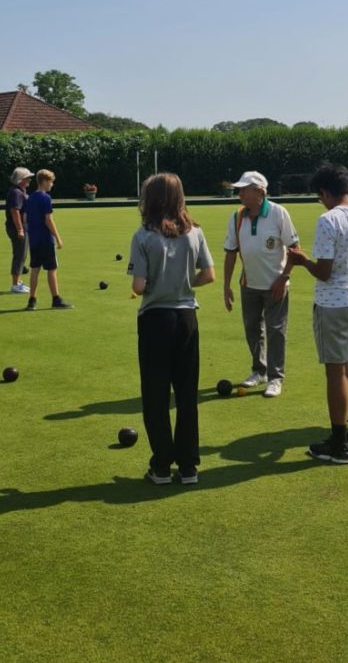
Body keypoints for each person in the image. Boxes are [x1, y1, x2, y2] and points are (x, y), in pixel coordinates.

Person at [287, 163, 348, 464]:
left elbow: (325, 272)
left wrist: (302, 260)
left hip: (334, 303)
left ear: (325, 193)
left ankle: (340, 444)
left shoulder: (328, 220)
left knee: (336, 372)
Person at [127, 172, 215, 485]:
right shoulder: (196, 233)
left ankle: (162, 466)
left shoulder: (143, 236)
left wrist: (152, 286)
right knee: (187, 394)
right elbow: (208, 275)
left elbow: (138, 285)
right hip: (187, 319)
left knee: (155, 394)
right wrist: (181, 283)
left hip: (155, 319)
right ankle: (189, 466)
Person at [222, 171, 300, 398]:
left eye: (245, 189)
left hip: (276, 284)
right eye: (240, 189)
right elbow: (230, 253)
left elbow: (295, 248)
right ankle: (259, 370)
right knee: (252, 329)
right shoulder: (237, 217)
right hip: (249, 284)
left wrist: (284, 278)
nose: (240, 193)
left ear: (260, 192)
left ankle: (275, 378)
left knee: (276, 331)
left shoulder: (278, 213)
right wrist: (226, 286)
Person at [23, 169, 71, 310]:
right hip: (45, 240)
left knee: (35, 270)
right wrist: (58, 238)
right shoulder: (45, 198)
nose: (52, 185)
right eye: (51, 182)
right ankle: (56, 299)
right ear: (44, 181)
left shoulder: (30, 198)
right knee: (52, 269)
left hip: (34, 240)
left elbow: (25, 218)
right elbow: (48, 220)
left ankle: (32, 301)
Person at [5, 167, 32, 293]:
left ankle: (18, 281)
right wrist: (20, 229)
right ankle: (15, 284)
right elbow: (15, 211)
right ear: (21, 180)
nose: (29, 181)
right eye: (27, 178)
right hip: (17, 228)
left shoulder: (19, 191)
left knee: (21, 253)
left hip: (21, 227)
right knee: (20, 254)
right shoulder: (16, 192)